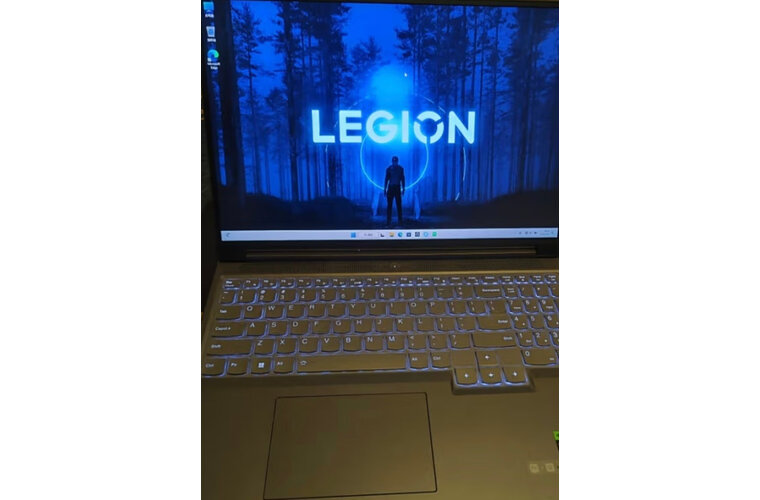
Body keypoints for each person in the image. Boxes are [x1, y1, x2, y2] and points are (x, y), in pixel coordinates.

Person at [384, 156, 405, 226]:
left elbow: (402, 179)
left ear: (397, 162)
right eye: (394, 161)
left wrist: (403, 188)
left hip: (397, 188)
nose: (394, 162)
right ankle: (388, 221)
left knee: (399, 205)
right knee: (389, 205)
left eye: (395, 161)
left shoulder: (400, 169)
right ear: (392, 161)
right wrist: (385, 189)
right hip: (391, 188)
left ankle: (400, 221)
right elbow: (386, 179)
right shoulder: (389, 169)